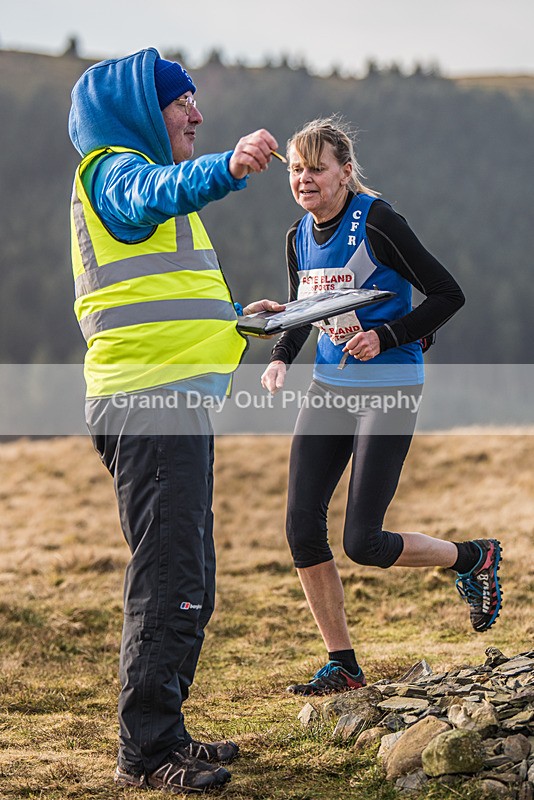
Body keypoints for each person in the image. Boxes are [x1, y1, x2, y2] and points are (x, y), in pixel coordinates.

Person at [68, 48, 284, 793]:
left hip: (171, 399)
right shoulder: (115, 174)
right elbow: (152, 192)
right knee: (169, 579)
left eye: (195, 99)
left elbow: (164, 301)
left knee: (191, 578)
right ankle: (148, 752)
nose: (197, 112)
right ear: (139, 111)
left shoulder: (145, 183)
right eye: (181, 101)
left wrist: (237, 318)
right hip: (148, 401)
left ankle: (169, 730)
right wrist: (228, 166)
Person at [261, 118, 503, 696]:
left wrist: (386, 336)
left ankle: (472, 557)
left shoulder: (378, 221)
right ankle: (342, 665)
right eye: (296, 169)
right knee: (301, 528)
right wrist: (280, 354)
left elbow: (448, 294)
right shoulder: (297, 236)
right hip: (329, 388)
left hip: (389, 388)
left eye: (317, 168)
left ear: (345, 172)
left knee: (363, 543)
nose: (304, 179)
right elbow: (305, 309)